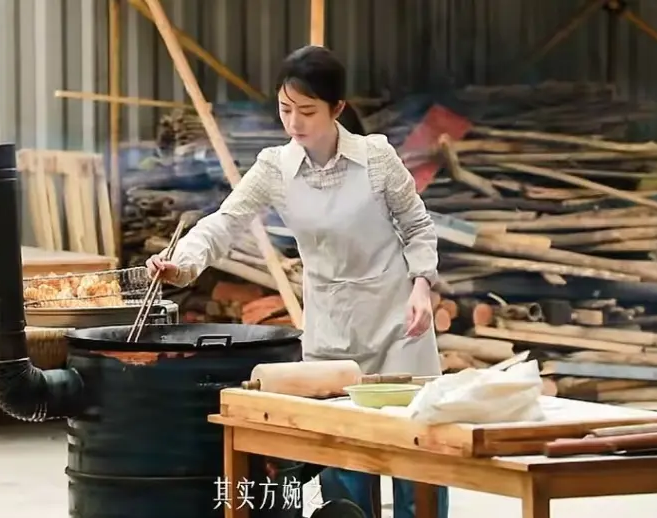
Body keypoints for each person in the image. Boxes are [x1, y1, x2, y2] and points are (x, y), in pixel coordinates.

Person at [145, 45, 449, 518]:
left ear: (337, 108)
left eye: (307, 111)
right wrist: (180, 261)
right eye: (285, 109)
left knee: (417, 457)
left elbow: (417, 226)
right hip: (331, 329)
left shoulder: (376, 158)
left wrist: (422, 287)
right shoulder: (275, 168)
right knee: (342, 460)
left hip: (398, 324)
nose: (294, 122)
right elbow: (226, 221)